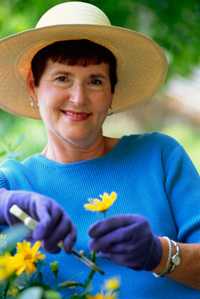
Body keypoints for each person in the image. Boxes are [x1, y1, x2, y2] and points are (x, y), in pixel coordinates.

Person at [0, 1, 200, 298]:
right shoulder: (14, 181)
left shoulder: (160, 156)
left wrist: (160, 254)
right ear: (34, 85)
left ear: (111, 93)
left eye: (95, 81)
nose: (78, 99)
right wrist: (5, 204)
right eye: (62, 78)